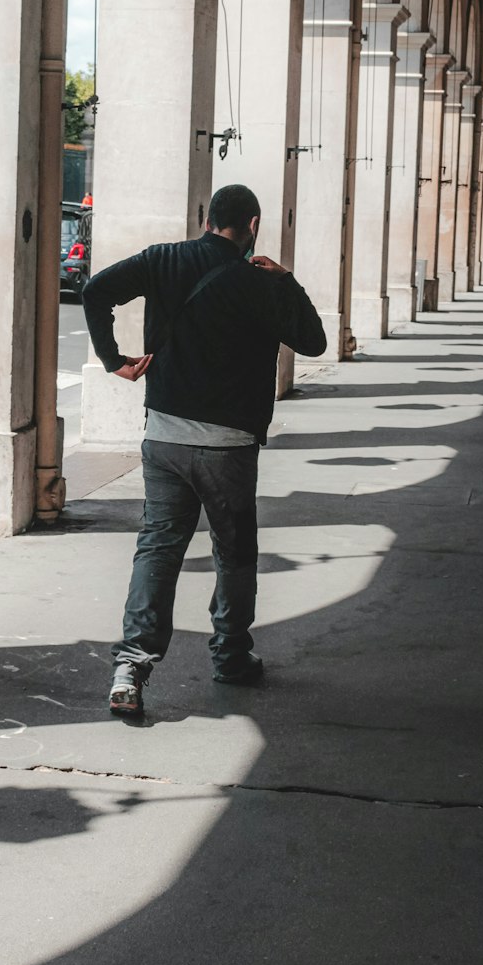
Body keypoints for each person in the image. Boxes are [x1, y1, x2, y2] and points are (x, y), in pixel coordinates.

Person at [82, 183, 326, 717]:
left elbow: (95, 291)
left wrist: (113, 360)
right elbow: (313, 341)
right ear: (253, 225)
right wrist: (288, 280)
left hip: (164, 436)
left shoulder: (162, 260)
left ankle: (131, 667)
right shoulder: (258, 282)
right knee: (233, 554)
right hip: (228, 447)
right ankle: (231, 656)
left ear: (207, 218)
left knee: (159, 547)